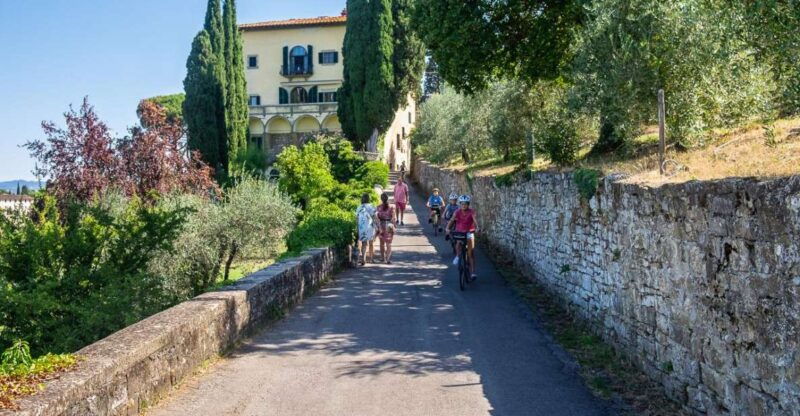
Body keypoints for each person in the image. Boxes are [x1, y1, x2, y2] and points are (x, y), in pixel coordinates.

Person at [446, 195, 479, 279]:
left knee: (470, 253)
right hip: (459, 232)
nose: (464, 205)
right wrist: (447, 228)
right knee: (458, 244)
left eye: (466, 204)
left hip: (469, 232)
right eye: (462, 204)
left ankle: (473, 272)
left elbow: (474, 220)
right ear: (460, 204)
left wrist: (477, 228)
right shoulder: (457, 212)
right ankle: (457, 256)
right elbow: (452, 220)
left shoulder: (471, 212)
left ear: (468, 204)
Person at [355, 193, 378, 266]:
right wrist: (377, 225)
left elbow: (356, 218)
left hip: (361, 227)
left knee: (364, 244)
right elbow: (374, 217)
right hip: (369, 227)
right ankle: (371, 259)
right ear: (368, 199)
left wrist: (357, 227)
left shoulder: (359, 207)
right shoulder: (371, 206)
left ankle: (363, 259)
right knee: (371, 243)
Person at [376, 192, 397, 264]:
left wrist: (378, 227)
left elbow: (377, 218)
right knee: (389, 243)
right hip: (389, 226)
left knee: (381, 243)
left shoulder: (378, 207)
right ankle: (388, 259)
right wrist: (394, 226)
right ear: (387, 198)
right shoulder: (392, 207)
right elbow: (393, 218)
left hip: (381, 225)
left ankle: (382, 258)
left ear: (381, 199)